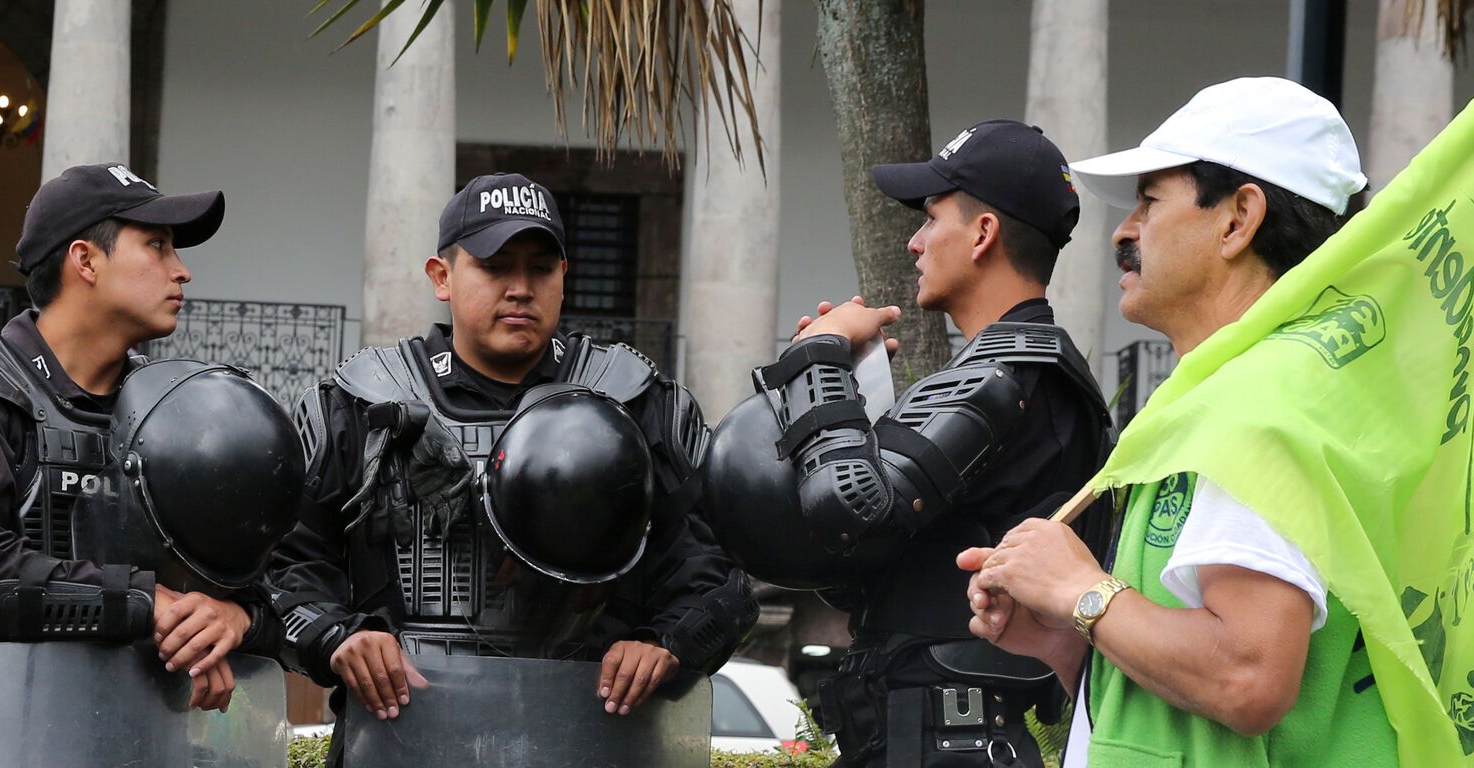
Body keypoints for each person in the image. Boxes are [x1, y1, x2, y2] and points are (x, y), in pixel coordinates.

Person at [960, 77, 1394, 766]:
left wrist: (1083, 590)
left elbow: (1248, 678)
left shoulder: (1263, 402)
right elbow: (1205, 695)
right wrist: (1069, 636)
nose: (1123, 232)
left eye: (1150, 201)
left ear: (1237, 219)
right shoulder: (1238, 395)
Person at [265, 172, 757, 766]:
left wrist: (667, 644)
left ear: (564, 277)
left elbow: (713, 565)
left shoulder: (637, 403)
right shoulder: (360, 405)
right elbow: (284, 559)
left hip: (594, 738)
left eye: (541, 269)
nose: (520, 288)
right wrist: (336, 635)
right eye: (496, 268)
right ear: (442, 277)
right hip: (401, 740)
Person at [705, 119, 1113, 767]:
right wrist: (839, 391)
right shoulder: (1016, 372)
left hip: (944, 741)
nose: (916, 243)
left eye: (930, 218)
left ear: (983, 235)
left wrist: (819, 360)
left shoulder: (1007, 372)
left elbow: (851, 507)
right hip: (922, 734)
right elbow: (872, 566)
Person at [0, 164, 277, 768]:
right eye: (157, 245)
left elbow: (280, 584)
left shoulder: (181, 417)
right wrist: (146, 603)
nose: (183, 270)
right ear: (85, 261)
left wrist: (234, 616)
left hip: (147, 745)